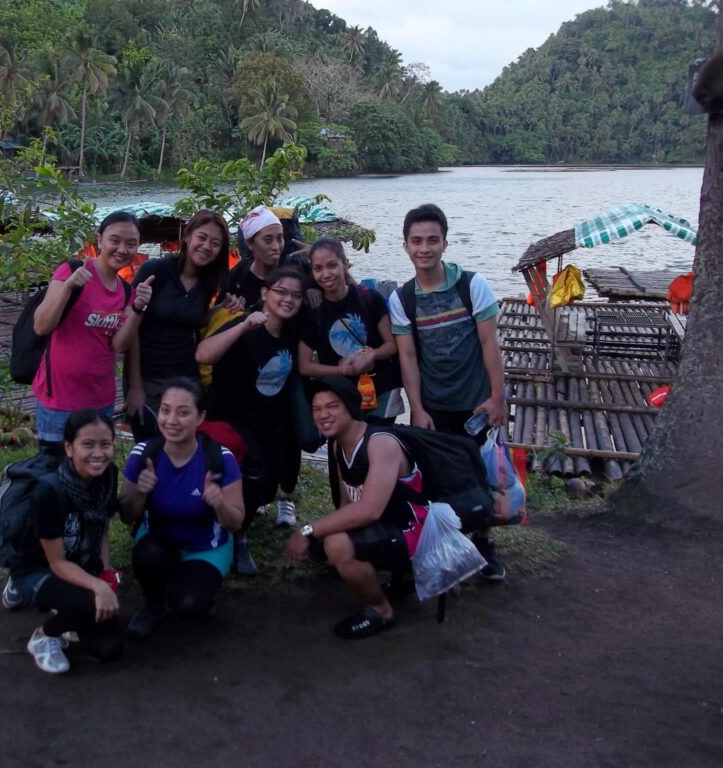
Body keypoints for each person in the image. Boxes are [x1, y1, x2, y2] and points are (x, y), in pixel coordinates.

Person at [387, 203, 507, 581]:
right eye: (417, 241)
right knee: (436, 477)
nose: (425, 248)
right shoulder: (403, 299)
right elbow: (407, 356)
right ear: (405, 246)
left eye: (432, 240)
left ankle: (485, 543)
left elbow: (490, 344)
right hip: (433, 406)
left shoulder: (472, 285)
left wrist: (497, 397)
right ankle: (445, 544)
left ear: (445, 243)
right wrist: (417, 408)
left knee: (482, 476)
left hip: (475, 404)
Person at [286, 377, 427, 639]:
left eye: (332, 406)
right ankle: (401, 579)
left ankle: (381, 610)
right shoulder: (340, 443)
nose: (323, 415)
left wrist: (308, 530)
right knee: (325, 545)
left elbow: (369, 510)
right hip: (388, 526)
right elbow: (347, 505)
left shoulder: (380, 443)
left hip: (414, 531)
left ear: (351, 406)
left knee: (336, 544)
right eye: (316, 409)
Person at [196, 267, 306, 575]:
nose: (288, 299)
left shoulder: (293, 328)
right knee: (251, 473)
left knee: (269, 483)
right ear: (264, 293)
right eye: (281, 291)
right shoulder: (243, 323)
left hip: (270, 419)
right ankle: (238, 541)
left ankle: (238, 520)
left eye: (295, 295)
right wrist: (243, 326)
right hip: (231, 418)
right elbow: (203, 354)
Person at [119, 378, 245, 638]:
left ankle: (191, 587)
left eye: (183, 412)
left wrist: (219, 503)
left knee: (189, 607)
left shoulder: (219, 459)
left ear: (200, 418)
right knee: (148, 554)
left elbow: (236, 523)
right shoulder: (144, 454)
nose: (172, 420)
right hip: (158, 541)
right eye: (165, 410)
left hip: (206, 547)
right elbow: (127, 515)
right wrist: (141, 492)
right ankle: (152, 604)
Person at [8, 410, 125, 674]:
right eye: (88, 445)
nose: (98, 453)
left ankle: (72, 610)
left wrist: (106, 574)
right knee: (91, 601)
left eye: (105, 444)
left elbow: (102, 529)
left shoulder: (107, 476)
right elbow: (57, 562)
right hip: (40, 570)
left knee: (110, 649)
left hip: (81, 564)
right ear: (69, 448)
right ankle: (44, 635)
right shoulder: (49, 491)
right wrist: (98, 587)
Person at [32, 211, 153, 452]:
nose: (122, 249)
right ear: (99, 240)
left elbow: (119, 345)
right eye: (114, 240)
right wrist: (68, 288)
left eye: (131, 244)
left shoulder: (126, 292)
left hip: (100, 400)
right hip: (59, 399)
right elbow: (41, 326)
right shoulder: (71, 270)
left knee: (95, 471)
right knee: (54, 474)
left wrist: (138, 308)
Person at [125, 210, 231, 438]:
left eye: (215, 243)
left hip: (186, 379)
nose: (206, 246)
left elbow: (192, 321)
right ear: (187, 236)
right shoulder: (155, 271)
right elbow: (130, 330)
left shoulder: (208, 282)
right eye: (202, 237)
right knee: (150, 453)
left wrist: (222, 310)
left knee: (183, 452)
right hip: (148, 379)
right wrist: (134, 387)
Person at [299, 237, 404, 423]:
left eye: (332, 265)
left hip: (381, 390)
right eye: (318, 269)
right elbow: (305, 366)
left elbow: (391, 345)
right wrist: (342, 371)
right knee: (343, 449)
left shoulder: (370, 299)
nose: (326, 274)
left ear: (345, 265)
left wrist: (371, 355)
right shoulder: (312, 312)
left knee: (379, 442)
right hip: (340, 394)